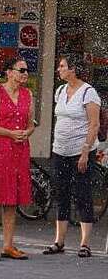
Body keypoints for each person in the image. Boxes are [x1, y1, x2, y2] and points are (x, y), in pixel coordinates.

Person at [45, 54, 102, 258]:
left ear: (73, 69)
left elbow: (94, 124)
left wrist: (86, 151)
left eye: (62, 66)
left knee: (82, 195)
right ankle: (59, 241)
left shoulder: (88, 93)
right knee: (61, 194)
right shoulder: (60, 91)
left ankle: (85, 243)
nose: (59, 69)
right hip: (60, 150)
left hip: (81, 152)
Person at [0, 57, 34, 261]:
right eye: (21, 70)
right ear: (9, 72)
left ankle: (8, 245)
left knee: (13, 198)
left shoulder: (28, 94)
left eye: (27, 70)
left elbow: (31, 123)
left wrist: (27, 133)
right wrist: (10, 133)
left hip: (19, 150)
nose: (25, 74)